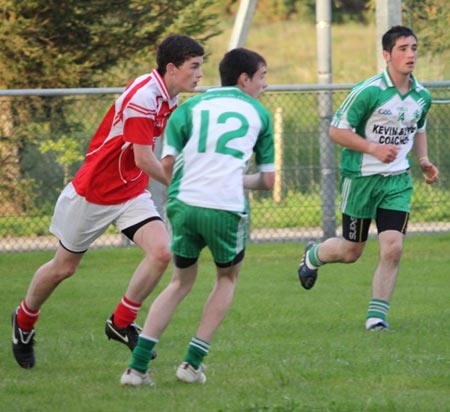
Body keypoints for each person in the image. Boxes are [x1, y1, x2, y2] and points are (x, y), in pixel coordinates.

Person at [11, 34, 205, 369]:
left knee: (162, 252)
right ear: (172, 68)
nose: (200, 74)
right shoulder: (145, 97)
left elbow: (153, 156)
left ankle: (120, 322)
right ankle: (24, 321)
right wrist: (182, 186)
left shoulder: (167, 95)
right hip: (94, 193)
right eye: (195, 66)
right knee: (63, 268)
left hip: (130, 193)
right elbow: (145, 159)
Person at [120, 47, 276, 387]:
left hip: (184, 203)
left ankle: (136, 367)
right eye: (262, 77)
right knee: (227, 279)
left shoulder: (187, 109)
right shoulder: (260, 115)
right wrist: (236, 179)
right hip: (224, 207)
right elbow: (267, 181)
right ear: (244, 79)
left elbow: (167, 168)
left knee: (180, 282)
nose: (265, 85)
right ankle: (191, 364)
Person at [297, 25, 439, 331]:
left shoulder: (422, 95)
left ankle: (377, 318)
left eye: (414, 48)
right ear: (387, 55)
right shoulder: (368, 91)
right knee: (351, 251)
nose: (410, 54)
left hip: (397, 181)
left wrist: (423, 160)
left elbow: (419, 127)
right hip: (360, 180)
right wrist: (373, 148)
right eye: (403, 49)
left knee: (393, 247)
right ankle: (312, 255)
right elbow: (336, 131)